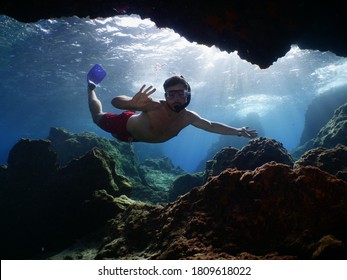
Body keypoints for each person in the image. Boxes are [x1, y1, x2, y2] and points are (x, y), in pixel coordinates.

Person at [88, 75, 258, 143]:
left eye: (180, 93)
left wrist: (238, 130)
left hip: (135, 138)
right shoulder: (154, 106)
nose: (175, 98)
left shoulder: (189, 117)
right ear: (165, 96)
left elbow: (211, 126)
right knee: (97, 117)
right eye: (170, 94)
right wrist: (131, 104)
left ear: (188, 95)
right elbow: (116, 101)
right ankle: (91, 88)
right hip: (124, 124)